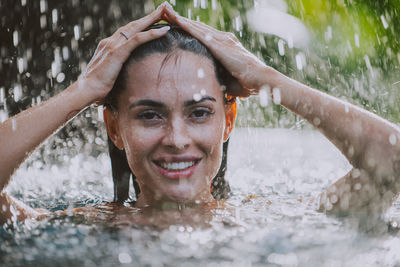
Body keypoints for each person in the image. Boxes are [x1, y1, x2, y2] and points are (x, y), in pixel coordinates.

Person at [1, 2, 400, 225]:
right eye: (149, 116)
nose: (176, 138)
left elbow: (394, 163)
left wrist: (266, 77)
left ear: (228, 120)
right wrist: (82, 92)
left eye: (199, 113)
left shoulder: (270, 219)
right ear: (114, 128)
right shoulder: (88, 226)